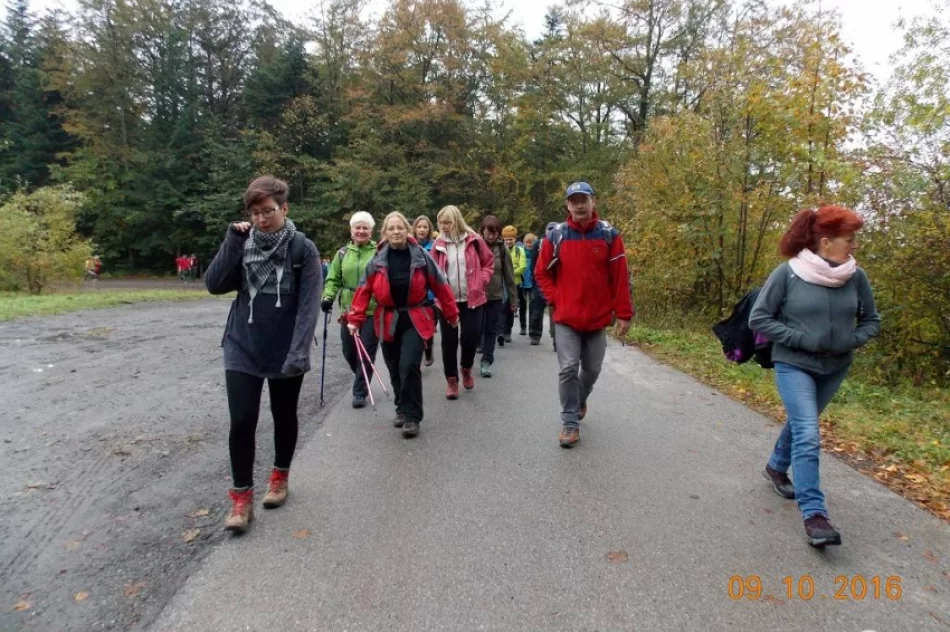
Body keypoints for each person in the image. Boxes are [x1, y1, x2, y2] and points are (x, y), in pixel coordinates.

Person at [750, 205, 881, 548]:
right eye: (849, 240)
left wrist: (850, 340)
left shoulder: (857, 277)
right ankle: (815, 515)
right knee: (808, 431)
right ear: (826, 242)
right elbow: (759, 319)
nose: (854, 246)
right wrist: (801, 339)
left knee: (800, 423)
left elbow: (872, 320)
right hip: (794, 364)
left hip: (835, 366)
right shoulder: (788, 274)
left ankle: (777, 466)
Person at [204, 176, 321, 533]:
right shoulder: (242, 242)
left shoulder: (303, 249)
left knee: (283, 416)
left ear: (284, 208)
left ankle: (280, 477)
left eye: (268, 211)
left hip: (285, 349)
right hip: (242, 346)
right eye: (254, 213)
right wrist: (232, 241)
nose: (261, 219)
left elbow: (308, 307)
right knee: (242, 421)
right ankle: (241, 499)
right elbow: (213, 284)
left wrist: (298, 352)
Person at [535, 182, 634, 448]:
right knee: (568, 368)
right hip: (566, 318)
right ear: (567, 205)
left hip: (597, 319)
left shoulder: (609, 236)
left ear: (593, 202)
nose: (579, 205)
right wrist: (556, 298)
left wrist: (624, 313)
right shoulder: (556, 236)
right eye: (574, 201)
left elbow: (620, 278)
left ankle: (580, 400)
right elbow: (541, 273)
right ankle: (569, 422)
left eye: (584, 200)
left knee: (592, 368)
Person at [347, 212, 460, 438]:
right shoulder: (377, 259)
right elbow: (363, 290)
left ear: (407, 230)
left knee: (409, 366)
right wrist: (355, 318)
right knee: (394, 367)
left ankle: (411, 416)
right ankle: (400, 405)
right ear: (385, 233)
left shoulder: (421, 256)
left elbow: (440, 285)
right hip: (387, 319)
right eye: (391, 229)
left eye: (400, 228)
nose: (396, 232)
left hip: (415, 318)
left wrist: (451, 313)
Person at [431, 205, 494, 398]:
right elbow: (431, 271)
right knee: (448, 342)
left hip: (472, 299)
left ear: (457, 221)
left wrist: (481, 282)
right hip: (447, 301)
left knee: (470, 339)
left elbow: (488, 263)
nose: (444, 226)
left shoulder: (474, 240)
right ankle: (451, 380)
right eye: (441, 223)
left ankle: (466, 368)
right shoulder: (438, 244)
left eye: (447, 222)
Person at [321, 212, 379, 409]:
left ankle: (360, 392)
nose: (361, 231)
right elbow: (333, 278)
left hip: (372, 309)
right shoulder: (342, 253)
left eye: (365, 228)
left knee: (367, 351)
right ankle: (362, 375)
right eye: (358, 228)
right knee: (349, 350)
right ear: (351, 230)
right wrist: (328, 296)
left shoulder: (379, 251)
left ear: (371, 231)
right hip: (348, 309)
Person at [479, 215, 517, 376]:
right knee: (476, 329)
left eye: (494, 232)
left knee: (490, 330)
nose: (491, 235)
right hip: (476, 296)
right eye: (488, 232)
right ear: (482, 231)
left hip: (495, 296)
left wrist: (513, 299)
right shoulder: (474, 246)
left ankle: (487, 361)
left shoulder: (502, 249)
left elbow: (509, 276)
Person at [529, 222, 559, 349]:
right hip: (540, 282)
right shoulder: (538, 244)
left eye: (554, 230)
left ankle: (557, 339)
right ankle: (535, 334)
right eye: (549, 229)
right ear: (546, 231)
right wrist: (534, 280)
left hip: (556, 282)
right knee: (537, 309)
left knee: (556, 312)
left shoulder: (561, 243)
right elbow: (533, 263)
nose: (551, 232)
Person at [412, 215, 437, 367]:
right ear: (415, 228)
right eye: (419, 226)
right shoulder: (409, 245)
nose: (422, 230)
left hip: (431, 296)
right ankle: (418, 349)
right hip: (414, 294)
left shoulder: (434, 247)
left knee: (429, 326)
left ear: (429, 230)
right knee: (415, 326)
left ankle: (428, 347)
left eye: (425, 227)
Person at [501, 225, 527, 341]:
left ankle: (508, 331)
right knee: (501, 308)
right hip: (501, 284)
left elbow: (522, 267)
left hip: (515, 284)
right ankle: (500, 331)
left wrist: (509, 273)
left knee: (511, 308)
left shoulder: (519, 250)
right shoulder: (500, 250)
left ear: (515, 239)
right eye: (506, 239)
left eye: (510, 239)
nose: (508, 241)